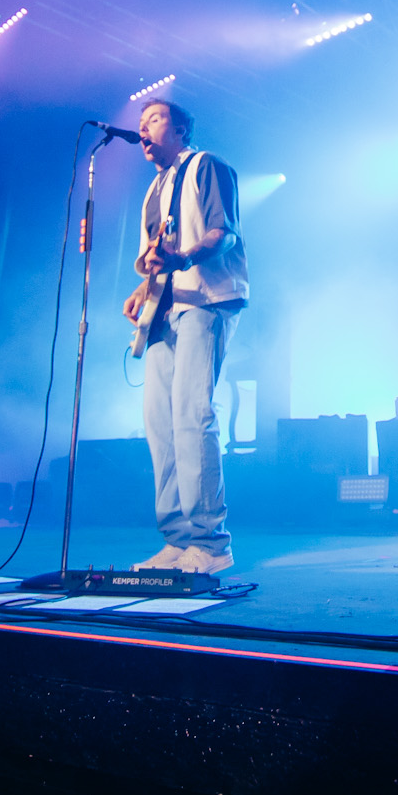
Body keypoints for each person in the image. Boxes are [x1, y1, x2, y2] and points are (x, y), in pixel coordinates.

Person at [120, 100, 248, 575]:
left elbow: (224, 233)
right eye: (140, 122)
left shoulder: (206, 165)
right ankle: (177, 539)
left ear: (180, 128)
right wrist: (141, 290)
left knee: (194, 415)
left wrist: (183, 259)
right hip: (164, 310)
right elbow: (157, 257)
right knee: (160, 424)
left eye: (153, 119)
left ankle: (212, 544)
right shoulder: (153, 190)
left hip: (207, 299)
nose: (142, 128)